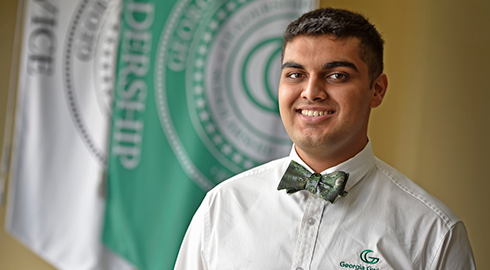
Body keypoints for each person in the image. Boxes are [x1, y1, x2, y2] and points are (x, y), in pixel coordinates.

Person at [174, 7, 476, 270]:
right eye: (295, 74)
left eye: (337, 76)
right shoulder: (222, 206)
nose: (311, 92)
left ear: (377, 90)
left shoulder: (433, 232)